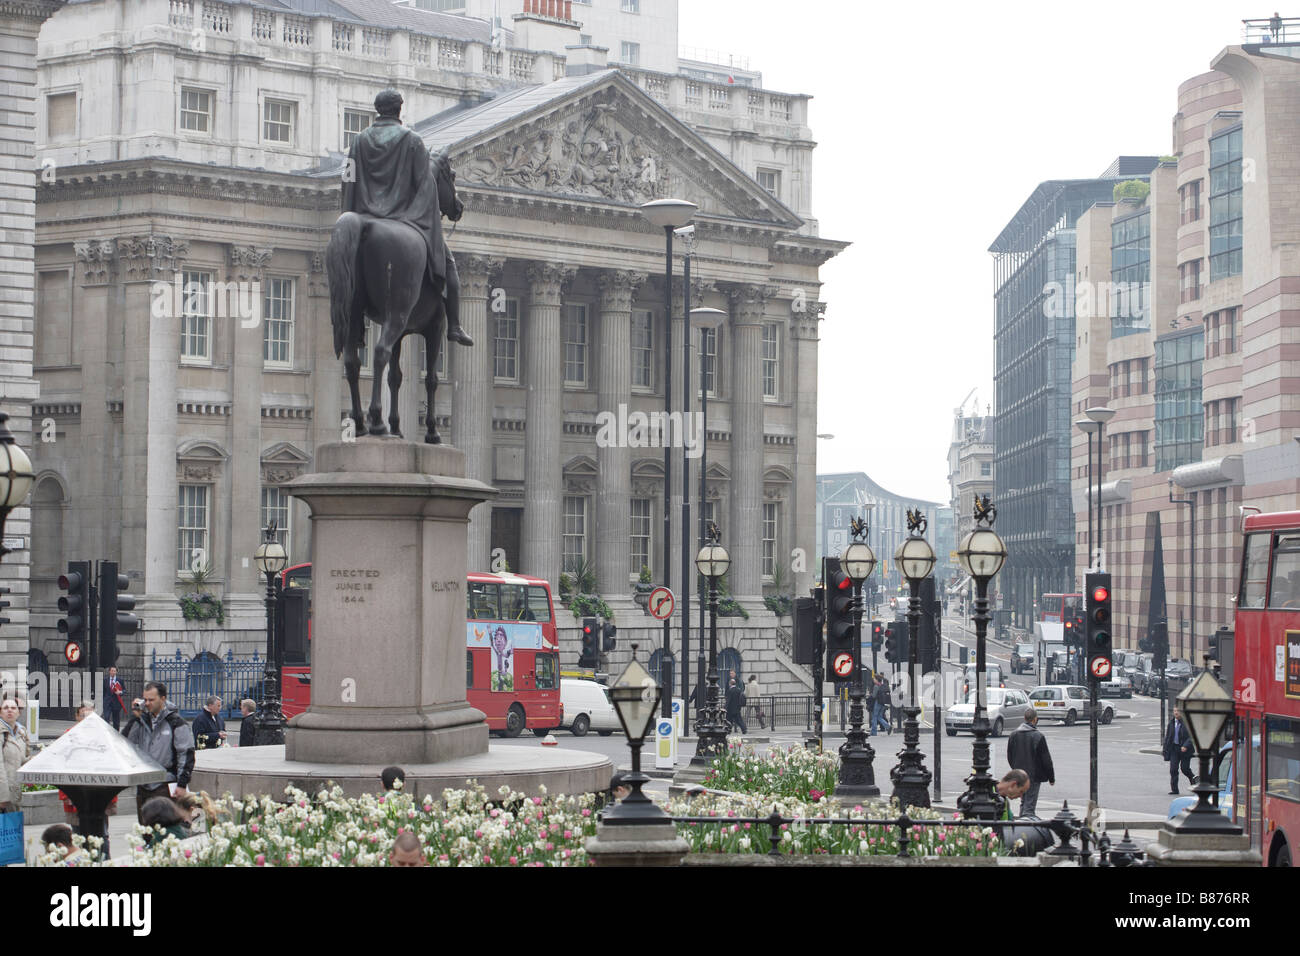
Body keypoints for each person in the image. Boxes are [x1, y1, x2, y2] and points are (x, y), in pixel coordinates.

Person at [341, 88, 471, 346]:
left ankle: (352, 325)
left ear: (378, 110)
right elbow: (425, 189)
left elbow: (349, 180)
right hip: (403, 219)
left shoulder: (357, 141)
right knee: (450, 266)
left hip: (363, 217)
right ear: (399, 109)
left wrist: (348, 214)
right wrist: (425, 227)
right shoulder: (412, 141)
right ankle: (454, 326)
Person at [123, 681, 195, 822]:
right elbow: (125, 741)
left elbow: (186, 753)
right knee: (145, 829)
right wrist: (135, 717)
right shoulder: (142, 720)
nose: (148, 703)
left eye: (151, 699)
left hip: (164, 783)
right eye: (145, 699)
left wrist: (181, 784)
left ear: (162, 699)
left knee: (165, 829)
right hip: (144, 783)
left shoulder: (175, 722)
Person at [1006, 706, 1055, 816]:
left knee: (1024, 802)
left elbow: (1010, 756)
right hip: (1033, 776)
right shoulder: (1038, 736)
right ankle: (1026, 827)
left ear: (1025, 718)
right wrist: (1051, 778)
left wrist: (1015, 770)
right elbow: (1046, 760)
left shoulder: (1014, 735)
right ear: (1035, 719)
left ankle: (1020, 826)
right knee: (1030, 805)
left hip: (1019, 775)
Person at [0, 696, 30, 813]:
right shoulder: (2, 733)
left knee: (11, 829)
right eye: (6, 708)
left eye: (13, 708)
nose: (9, 710)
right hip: (3, 794)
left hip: (14, 792)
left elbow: (22, 761)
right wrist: (3, 797)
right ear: (1, 712)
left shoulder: (21, 733)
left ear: (18, 713)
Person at [1163, 706, 1197, 794]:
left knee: (1185, 769)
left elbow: (1191, 736)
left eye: (1177, 711)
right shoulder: (1171, 723)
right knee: (1173, 769)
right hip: (1174, 749)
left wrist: (1185, 745)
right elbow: (1168, 737)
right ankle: (1174, 789)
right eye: (1174, 711)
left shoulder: (1186, 722)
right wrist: (1165, 750)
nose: (1176, 713)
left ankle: (1195, 781)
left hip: (1185, 750)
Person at [103, 665, 125, 730]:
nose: (113, 672)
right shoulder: (105, 680)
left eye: (114, 671)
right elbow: (103, 691)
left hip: (116, 703)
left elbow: (124, 690)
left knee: (116, 721)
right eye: (112, 671)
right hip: (107, 703)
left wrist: (120, 692)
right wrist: (104, 700)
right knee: (106, 718)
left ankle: (116, 734)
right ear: (109, 671)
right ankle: (107, 733)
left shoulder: (120, 680)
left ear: (116, 672)